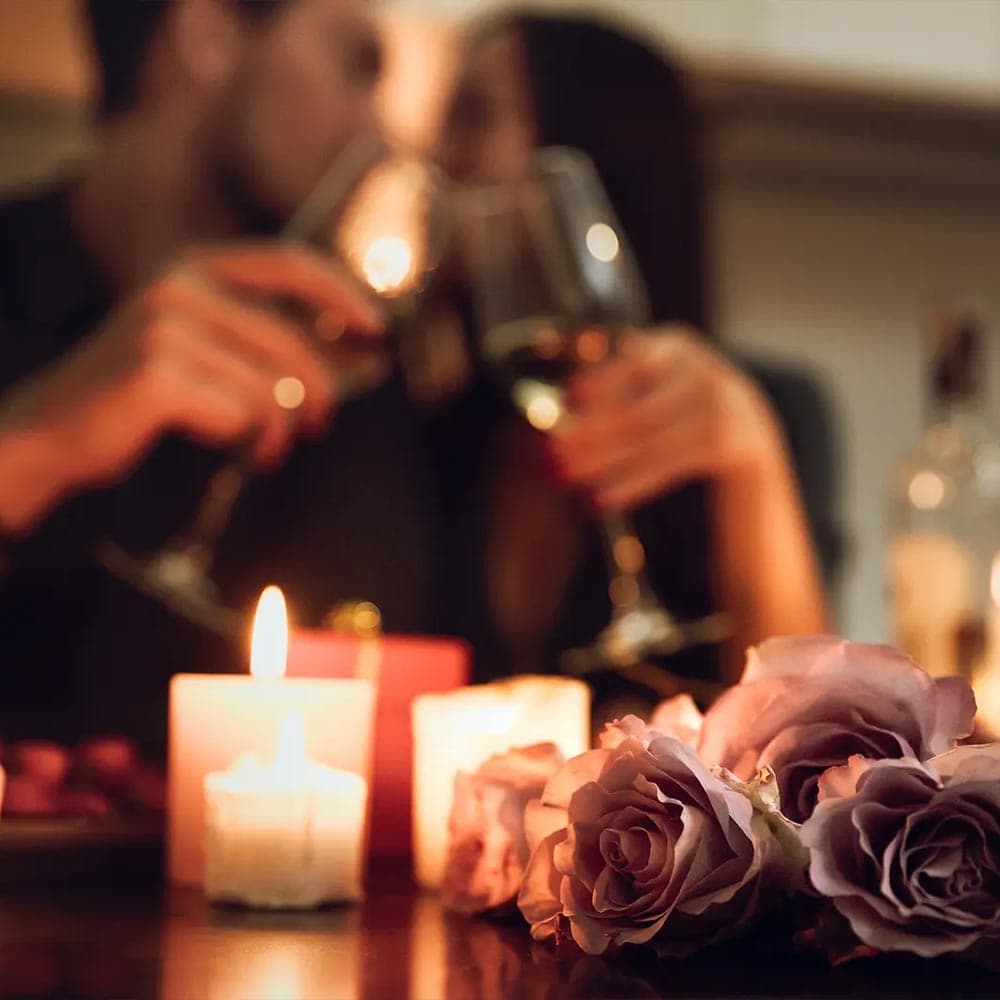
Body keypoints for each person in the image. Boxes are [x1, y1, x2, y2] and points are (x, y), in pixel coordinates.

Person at [0, 0, 436, 748]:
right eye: (356, 68)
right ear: (210, 34)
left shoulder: (345, 360)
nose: (379, 132)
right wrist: (34, 445)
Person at [425, 11, 837, 711]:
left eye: (473, 116)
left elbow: (813, 736)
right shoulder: (430, 436)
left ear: (593, 154)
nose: (440, 159)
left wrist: (753, 467)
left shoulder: (772, 411)